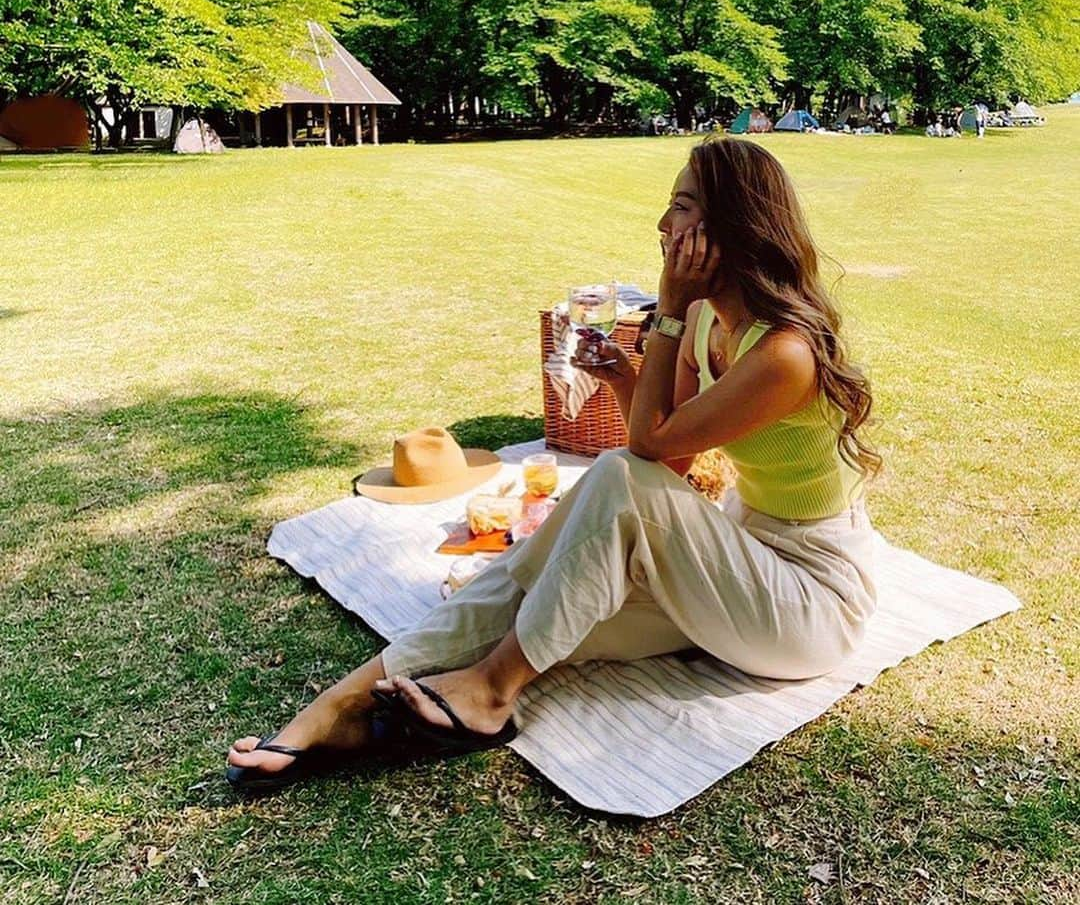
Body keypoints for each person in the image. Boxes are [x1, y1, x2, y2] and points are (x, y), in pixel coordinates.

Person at [226, 139, 882, 794]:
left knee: (615, 484)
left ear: (732, 226)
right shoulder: (711, 316)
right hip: (737, 557)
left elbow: (647, 453)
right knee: (543, 577)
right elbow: (675, 453)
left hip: (808, 599)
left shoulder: (785, 353)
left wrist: (669, 311)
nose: (662, 226)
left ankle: (491, 690)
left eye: (681, 207)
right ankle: (343, 703)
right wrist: (627, 372)